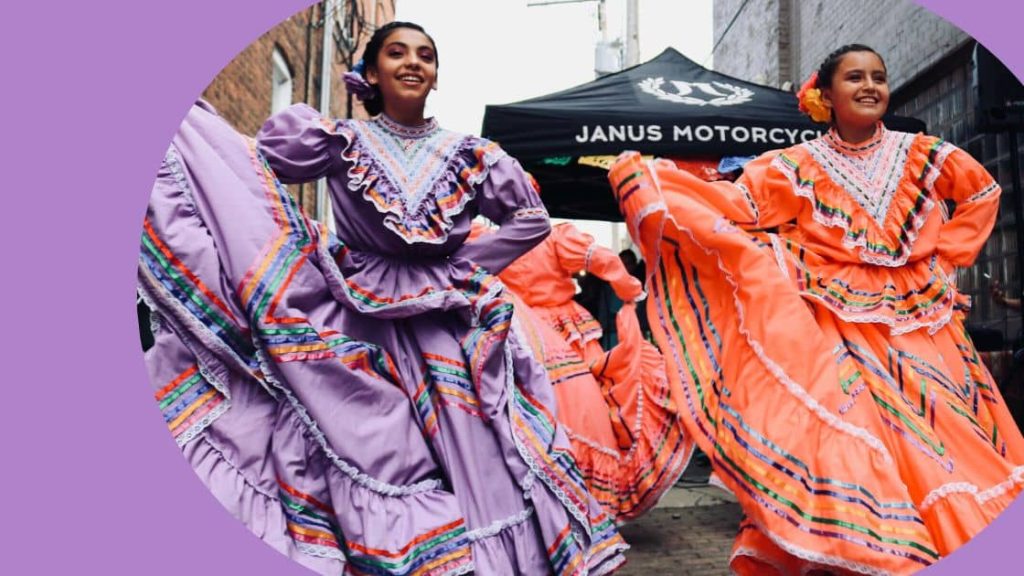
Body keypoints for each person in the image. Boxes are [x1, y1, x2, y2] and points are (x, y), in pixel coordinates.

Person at [139, 21, 626, 576]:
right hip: (353, 315)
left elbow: (530, 220)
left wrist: (460, 269)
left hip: (445, 329)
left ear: (437, 77)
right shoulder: (338, 139)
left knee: (473, 458)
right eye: (396, 53)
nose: (413, 63)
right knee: (361, 439)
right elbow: (257, 173)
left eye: (426, 55)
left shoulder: (470, 153)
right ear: (371, 74)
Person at [609, 44, 1024, 575]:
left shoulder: (922, 152)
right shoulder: (793, 166)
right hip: (838, 325)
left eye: (879, 76)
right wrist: (664, 183)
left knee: (950, 437)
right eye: (854, 78)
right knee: (864, 438)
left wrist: (946, 260)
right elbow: (742, 209)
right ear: (825, 95)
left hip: (923, 325)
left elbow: (981, 192)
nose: (870, 86)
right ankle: (879, 548)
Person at [480, 221, 694, 521]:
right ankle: (584, 499)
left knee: (527, 412)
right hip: (563, 332)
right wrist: (629, 288)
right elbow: (603, 260)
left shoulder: (488, 240)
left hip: (518, 329)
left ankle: (541, 501)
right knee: (595, 406)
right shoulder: (553, 236)